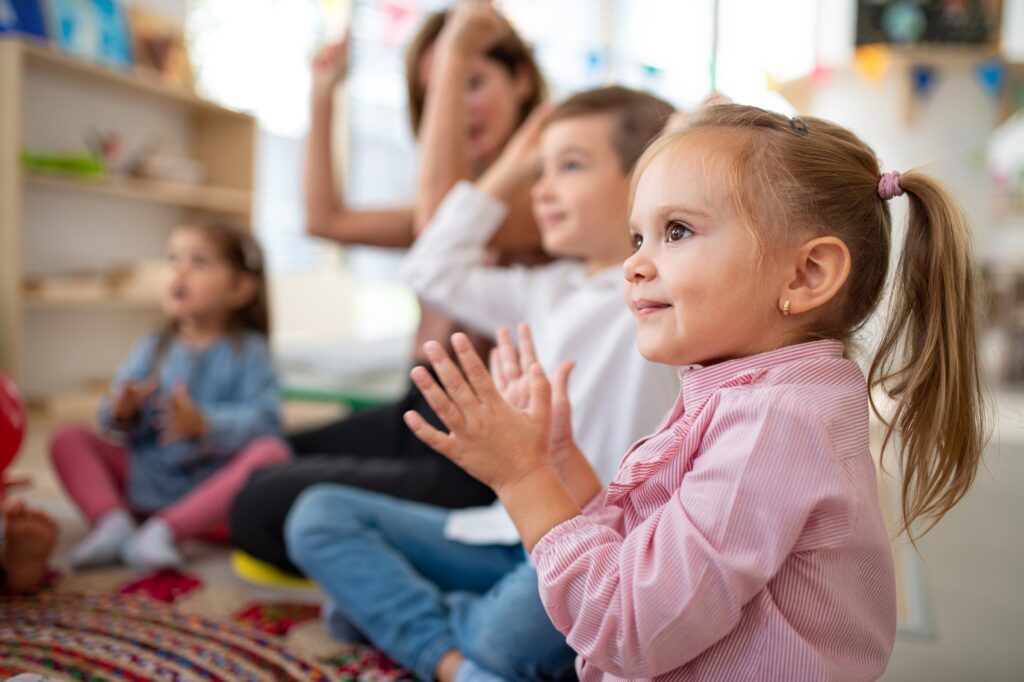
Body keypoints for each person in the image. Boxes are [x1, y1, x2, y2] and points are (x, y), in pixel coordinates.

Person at [400, 103, 987, 680]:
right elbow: (643, 551)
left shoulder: (774, 423)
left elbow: (629, 629)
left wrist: (521, 479)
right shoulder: (748, 393)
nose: (633, 265)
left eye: (675, 231)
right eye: (637, 237)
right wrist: (556, 460)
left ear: (806, 275)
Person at [286, 86, 680, 682]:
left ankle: (411, 626)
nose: (542, 188)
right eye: (538, 171)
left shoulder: (661, 293)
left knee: (503, 639)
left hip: (589, 547)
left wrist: (680, 149)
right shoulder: (543, 288)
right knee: (318, 515)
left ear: (644, 179)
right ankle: (452, 661)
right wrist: (513, 165)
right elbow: (430, 268)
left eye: (569, 166)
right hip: (501, 529)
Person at [230, 1, 548, 575]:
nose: (450, 109)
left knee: (255, 501)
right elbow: (324, 219)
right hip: (419, 408)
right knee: (264, 454)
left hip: (470, 454)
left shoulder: (546, 202)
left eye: (468, 83)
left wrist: (453, 46)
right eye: (433, 98)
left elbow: (442, 225)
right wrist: (323, 96)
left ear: (521, 80)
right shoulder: (457, 202)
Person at [51, 223, 288, 572]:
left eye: (200, 262)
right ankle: (113, 523)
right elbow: (113, 418)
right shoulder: (153, 345)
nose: (180, 271)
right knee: (67, 438)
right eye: (173, 259)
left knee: (273, 454)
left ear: (240, 288)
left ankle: (164, 530)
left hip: (207, 492)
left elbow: (266, 421)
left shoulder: (250, 352)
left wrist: (206, 425)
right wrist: (122, 411)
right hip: (144, 477)